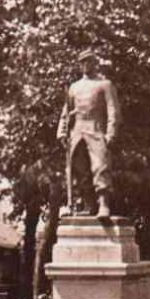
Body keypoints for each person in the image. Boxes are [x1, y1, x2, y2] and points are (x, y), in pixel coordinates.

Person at [57, 52, 121, 217]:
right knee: (79, 170)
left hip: (96, 128)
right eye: (82, 62)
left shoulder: (105, 85)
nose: (85, 65)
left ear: (95, 63)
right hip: (77, 130)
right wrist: (62, 131)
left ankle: (103, 205)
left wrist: (111, 133)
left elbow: (113, 110)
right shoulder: (74, 87)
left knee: (100, 166)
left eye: (88, 61)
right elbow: (66, 111)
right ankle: (88, 205)